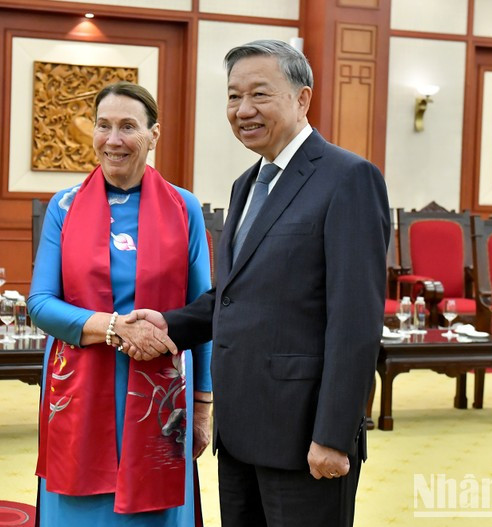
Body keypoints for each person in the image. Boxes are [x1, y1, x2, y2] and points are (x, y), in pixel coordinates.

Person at [130, 40, 390, 526]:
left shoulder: (349, 179)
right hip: (240, 434)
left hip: (304, 438)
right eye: (233, 96)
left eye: (259, 95)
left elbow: (355, 323)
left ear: (302, 99)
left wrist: (334, 436)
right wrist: (170, 322)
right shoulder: (246, 185)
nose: (242, 110)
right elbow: (235, 294)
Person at [28, 81, 213, 526]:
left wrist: (204, 404)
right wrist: (113, 327)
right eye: (103, 126)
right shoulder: (64, 207)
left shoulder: (183, 207)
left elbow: (206, 311)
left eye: (128, 126)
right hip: (79, 383)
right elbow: (40, 303)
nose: (113, 140)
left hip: (159, 390)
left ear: (154, 135)